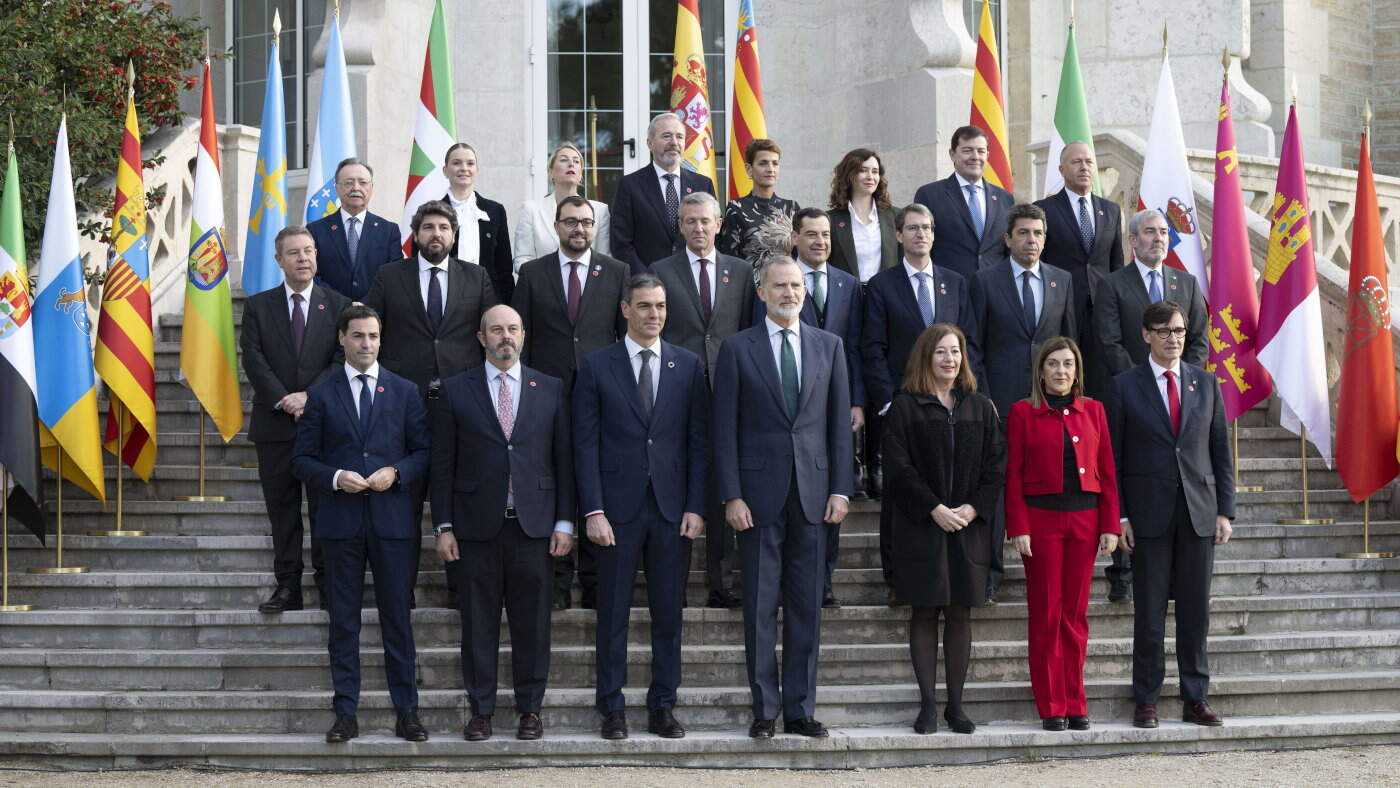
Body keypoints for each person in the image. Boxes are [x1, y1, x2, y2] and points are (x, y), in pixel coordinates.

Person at [712, 257, 853, 740]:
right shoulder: (736, 349)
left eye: (796, 285)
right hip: (756, 498)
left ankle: (799, 709)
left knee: (805, 608)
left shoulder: (829, 346)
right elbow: (723, 428)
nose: (790, 292)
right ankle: (764, 710)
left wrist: (840, 488)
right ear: (762, 291)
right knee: (758, 607)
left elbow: (838, 424)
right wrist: (731, 494)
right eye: (780, 285)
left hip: (814, 497)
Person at [430, 304, 577, 742]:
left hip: (534, 527)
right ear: (481, 338)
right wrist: (443, 526)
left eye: (513, 329)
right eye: (496, 330)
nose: (505, 337)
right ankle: (481, 711)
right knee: (478, 624)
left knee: (533, 624)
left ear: (524, 335)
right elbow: (443, 465)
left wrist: (565, 522)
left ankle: (530, 709)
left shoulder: (549, 388)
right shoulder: (455, 391)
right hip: (476, 528)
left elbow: (563, 461)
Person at [573, 273, 709, 740]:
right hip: (615, 512)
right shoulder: (595, 366)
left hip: (672, 512)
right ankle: (612, 707)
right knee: (611, 614)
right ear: (625, 309)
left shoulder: (688, 366)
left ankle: (662, 706)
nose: (655, 314)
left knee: (667, 616)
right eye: (645, 306)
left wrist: (696, 505)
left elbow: (698, 443)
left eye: (661, 306)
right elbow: (584, 445)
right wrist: (592, 510)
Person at [291, 304, 430, 744]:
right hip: (341, 524)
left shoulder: (405, 391)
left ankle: (407, 712)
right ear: (342, 339)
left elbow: (424, 452)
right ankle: (345, 713)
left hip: (392, 525)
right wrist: (334, 477)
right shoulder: (323, 393)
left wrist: (397, 472)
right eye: (357, 336)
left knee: (397, 621)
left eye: (372, 336)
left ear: (381, 339)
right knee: (344, 623)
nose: (366, 343)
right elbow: (300, 460)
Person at [363, 200, 499, 605]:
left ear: (454, 235)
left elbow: (491, 334)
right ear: (415, 234)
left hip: (463, 403)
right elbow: (369, 329)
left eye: (443, 227)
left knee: (459, 497)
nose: (435, 234)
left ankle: (460, 589)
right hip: (402, 405)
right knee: (403, 501)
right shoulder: (389, 276)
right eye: (428, 228)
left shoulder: (476, 278)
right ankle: (400, 590)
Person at [1107, 300, 1234, 730]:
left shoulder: (1206, 383)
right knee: (1149, 612)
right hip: (1148, 516)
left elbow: (1221, 451)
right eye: (1163, 331)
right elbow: (1115, 459)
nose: (1173, 339)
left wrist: (1225, 511)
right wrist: (1120, 516)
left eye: (1178, 331)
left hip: (1199, 513)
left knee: (1196, 612)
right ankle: (1146, 698)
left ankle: (1195, 697)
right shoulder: (1125, 386)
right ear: (1146, 335)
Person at [882, 323, 1004, 735]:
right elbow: (898, 469)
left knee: (959, 612)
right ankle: (928, 706)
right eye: (941, 353)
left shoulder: (980, 407)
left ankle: (956, 706)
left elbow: (995, 467)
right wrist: (933, 508)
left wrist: (973, 508)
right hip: (922, 524)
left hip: (968, 527)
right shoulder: (905, 407)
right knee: (924, 610)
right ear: (926, 358)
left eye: (955, 352)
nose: (949, 360)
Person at [513, 195, 629, 609]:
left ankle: (596, 582)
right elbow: (521, 340)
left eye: (585, 222)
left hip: (601, 396)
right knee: (555, 482)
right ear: (556, 226)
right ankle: (559, 582)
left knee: (598, 483)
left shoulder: (617, 272)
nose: (578, 229)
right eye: (570, 222)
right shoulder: (531, 273)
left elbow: (623, 338)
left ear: (594, 227)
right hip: (546, 395)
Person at [862, 203, 981, 600]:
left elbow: (970, 343)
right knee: (902, 493)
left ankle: (953, 578)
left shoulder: (954, 282)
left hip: (950, 406)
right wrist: (887, 402)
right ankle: (897, 578)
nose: (921, 234)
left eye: (927, 228)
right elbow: (874, 349)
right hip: (904, 408)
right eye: (912, 228)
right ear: (898, 236)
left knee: (948, 488)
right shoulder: (881, 285)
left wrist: (967, 394)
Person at [1091, 209, 1208, 601]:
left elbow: (1199, 342)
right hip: (1131, 399)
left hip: (1181, 401)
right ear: (1133, 241)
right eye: (1150, 232)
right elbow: (1108, 342)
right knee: (1129, 473)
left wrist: (1178, 379)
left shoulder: (1188, 284)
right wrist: (1144, 383)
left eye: (1163, 232)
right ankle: (1121, 572)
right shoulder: (1112, 285)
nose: (1158, 238)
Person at [1005, 336, 1120, 731]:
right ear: (1041, 370)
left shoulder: (1095, 411)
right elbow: (1013, 475)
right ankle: (1052, 704)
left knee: (1075, 616)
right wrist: (1017, 526)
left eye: (1068, 364)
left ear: (1077, 370)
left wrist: (1110, 525)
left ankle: (1076, 701)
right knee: (1047, 615)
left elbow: (1107, 472)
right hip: (1041, 524)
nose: (1060, 371)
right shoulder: (1022, 412)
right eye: (1053, 364)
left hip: (1086, 523)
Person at [651, 191, 754, 609]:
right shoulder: (660, 270)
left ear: (718, 225)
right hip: (678, 392)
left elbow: (747, 332)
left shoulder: (742, 272)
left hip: (730, 392)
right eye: (690, 221)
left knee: (723, 487)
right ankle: (670, 581)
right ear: (681, 226)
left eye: (704, 221)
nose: (697, 228)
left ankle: (722, 581)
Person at [241, 227, 350, 614]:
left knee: (325, 510)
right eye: (294, 253)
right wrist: (285, 400)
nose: (303, 258)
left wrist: (309, 397)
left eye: (308, 251)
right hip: (275, 426)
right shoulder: (258, 306)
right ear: (278, 261)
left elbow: (343, 360)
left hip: (324, 425)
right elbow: (253, 358)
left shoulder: (338, 305)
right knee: (283, 512)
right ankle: (288, 587)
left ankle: (328, 584)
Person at [784, 207, 864, 607]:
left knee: (831, 492)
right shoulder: (779, 280)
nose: (820, 242)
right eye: (812, 235)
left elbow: (857, 348)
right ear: (795, 238)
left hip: (835, 404)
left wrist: (858, 401)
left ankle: (824, 579)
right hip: (789, 404)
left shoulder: (849, 284)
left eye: (826, 235)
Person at [1033, 141, 1124, 395]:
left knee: (1099, 379)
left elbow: (1116, 263)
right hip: (1061, 308)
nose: (1084, 167)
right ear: (1061, 169)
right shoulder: (1044, 209)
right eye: (1076, 162)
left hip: (1102, 309)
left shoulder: (1111, 210)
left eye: (1088, 162)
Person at [970, 203, 1077, 416]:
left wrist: (1070, 394)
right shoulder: (984, 281)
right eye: (1023, 232)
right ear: (1007, 239)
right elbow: (974, 344)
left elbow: (1069, 342)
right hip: (1001, 401)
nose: (1031, 240)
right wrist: (983, 395)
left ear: (1045, 240)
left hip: (1051, 400)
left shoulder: (1062, 280)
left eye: (1038, 233)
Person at [611, 112, 716, 273]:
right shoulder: (630, 185)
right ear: (650, 143)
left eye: (679, 137)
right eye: (666, 136)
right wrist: (648, 280)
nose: (674, 142)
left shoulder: (703, 184)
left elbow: (713, 237)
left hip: (693, 282)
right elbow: (620, 243)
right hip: (647, 285)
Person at [912, 125, 1012, 282]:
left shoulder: (1005, 198)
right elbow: (919, 247)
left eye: (981, 151)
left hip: (994, 291)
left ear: (988, 155)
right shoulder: (930, 195)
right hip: (949, 290)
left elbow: (1008, 250)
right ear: (952, 154)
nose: (975, 156)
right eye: (967, 150)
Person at [307, 158, 403, 301]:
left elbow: (394, 275)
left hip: (375, 316)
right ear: (337, 188)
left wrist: (364, 306)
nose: (356, 188)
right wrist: (342, 305)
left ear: (371, 188)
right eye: (349, 182)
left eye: (363, 182)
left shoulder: (388, 231)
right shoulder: (316, 230)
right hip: (330, 313)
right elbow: (312, 275)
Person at [513, 141, 612, 269]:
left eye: (576, 162)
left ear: (581, 174)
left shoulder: (600, 211)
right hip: (544, 287)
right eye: (564, 160)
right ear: (550, 172)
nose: (571, 164)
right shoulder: (531, 210)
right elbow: (522, 260)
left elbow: (605, 261)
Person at [440, 142, 515, 304]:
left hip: (489, 299)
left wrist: (507, 305)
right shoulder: (432, 212)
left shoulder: (495, 210)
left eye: (470, 163)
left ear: (477, 170)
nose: (464, 168)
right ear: (445, 171)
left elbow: (504, 266)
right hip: (445, 298)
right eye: (456, 163)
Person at [716, 138, 799, 266]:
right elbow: (729, 258)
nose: (770, 169)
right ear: (749, 169)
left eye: (775, 163)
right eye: (763, 163)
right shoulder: (736, 208)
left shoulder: (792, 208)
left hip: (786, 283)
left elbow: (801, 254)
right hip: (750, 283)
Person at [826, 148, 899, 283]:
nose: (870, 177)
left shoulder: (895, 216)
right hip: (847, 297)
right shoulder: (830, 220)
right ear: (849, 175)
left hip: (885, 297)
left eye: (875, 172)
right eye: (863, 170)